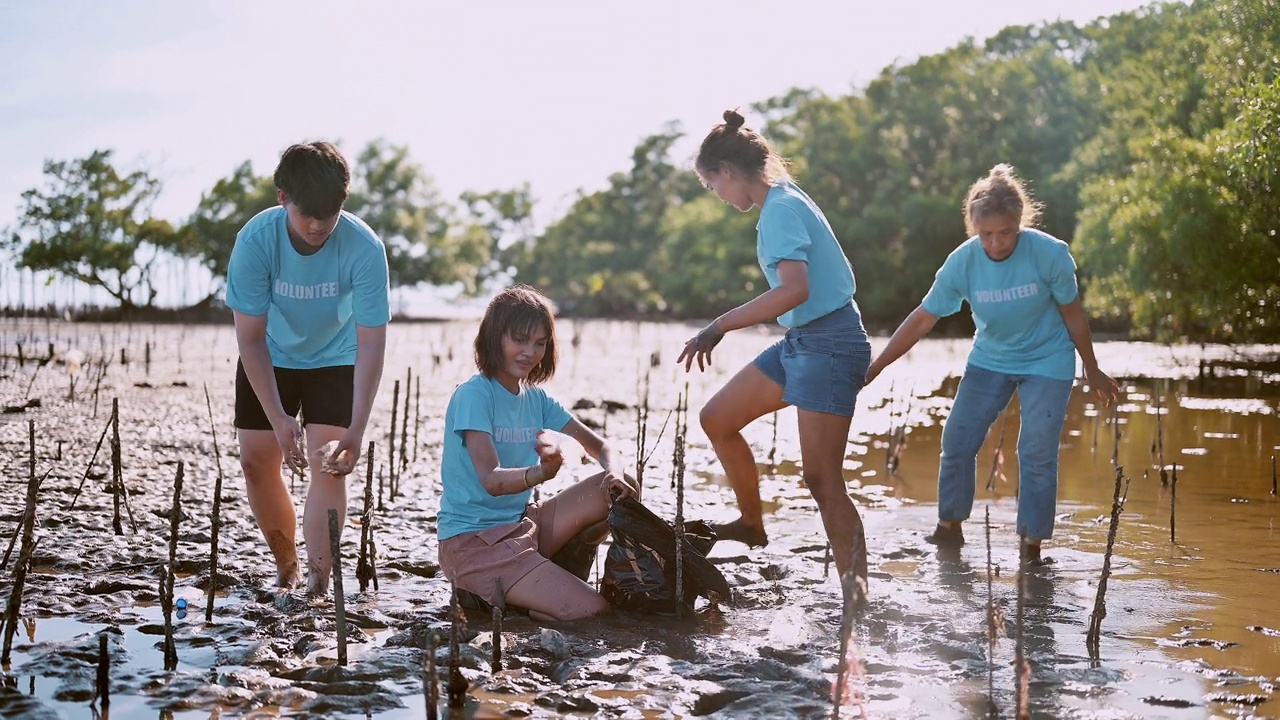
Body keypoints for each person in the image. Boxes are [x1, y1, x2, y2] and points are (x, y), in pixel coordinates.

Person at [864, 164, 1120, 564]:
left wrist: (1091, 366)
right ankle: (949, 528)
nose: (996, 243)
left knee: (1036, 450)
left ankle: (1031, 545)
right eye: (986, 235)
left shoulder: (1050, 254)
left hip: (1047, 359)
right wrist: (878, 364)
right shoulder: (963, 263)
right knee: (957, 439)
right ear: (973, 229)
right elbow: (922, 318)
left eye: (1005, 233)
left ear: (1019, 223)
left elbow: (1073, 313)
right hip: (991, 359)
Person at [678, 109, 873, 607]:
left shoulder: (782, 208)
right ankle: (750, 524)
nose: (718, 196)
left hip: (829, 342)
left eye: (711, 185)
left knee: (822, 478)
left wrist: (719, 325)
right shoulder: (781, 203)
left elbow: (793, 290)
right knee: (717, 418)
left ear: (727, 171)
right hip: (801, 343)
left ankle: (858, 596)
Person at [224, 141, 390, 595]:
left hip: (336, 357)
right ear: (283, 198)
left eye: (328, 214)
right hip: (271, 354)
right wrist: (278, 418)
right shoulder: (256, 242)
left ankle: (319, 585)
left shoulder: (364, 248)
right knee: (256, 461)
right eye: (306, 214)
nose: (317, 226)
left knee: (329, 464)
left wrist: (356, 429)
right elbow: (250, 337)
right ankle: (287, 567)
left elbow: (372, 342)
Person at [437, 285, 639, 622]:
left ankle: (542, 577)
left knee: (620, 484)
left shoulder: (536, 398)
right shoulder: (474, 395)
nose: (529, 352)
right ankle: (495, 596)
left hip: (522, 525)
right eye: (519, 339)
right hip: (474, 544)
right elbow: (491, 480)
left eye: (540, 343)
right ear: (494, 338)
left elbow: (603, 447)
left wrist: (614, 472)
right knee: (593, 611)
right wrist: (540, 473)